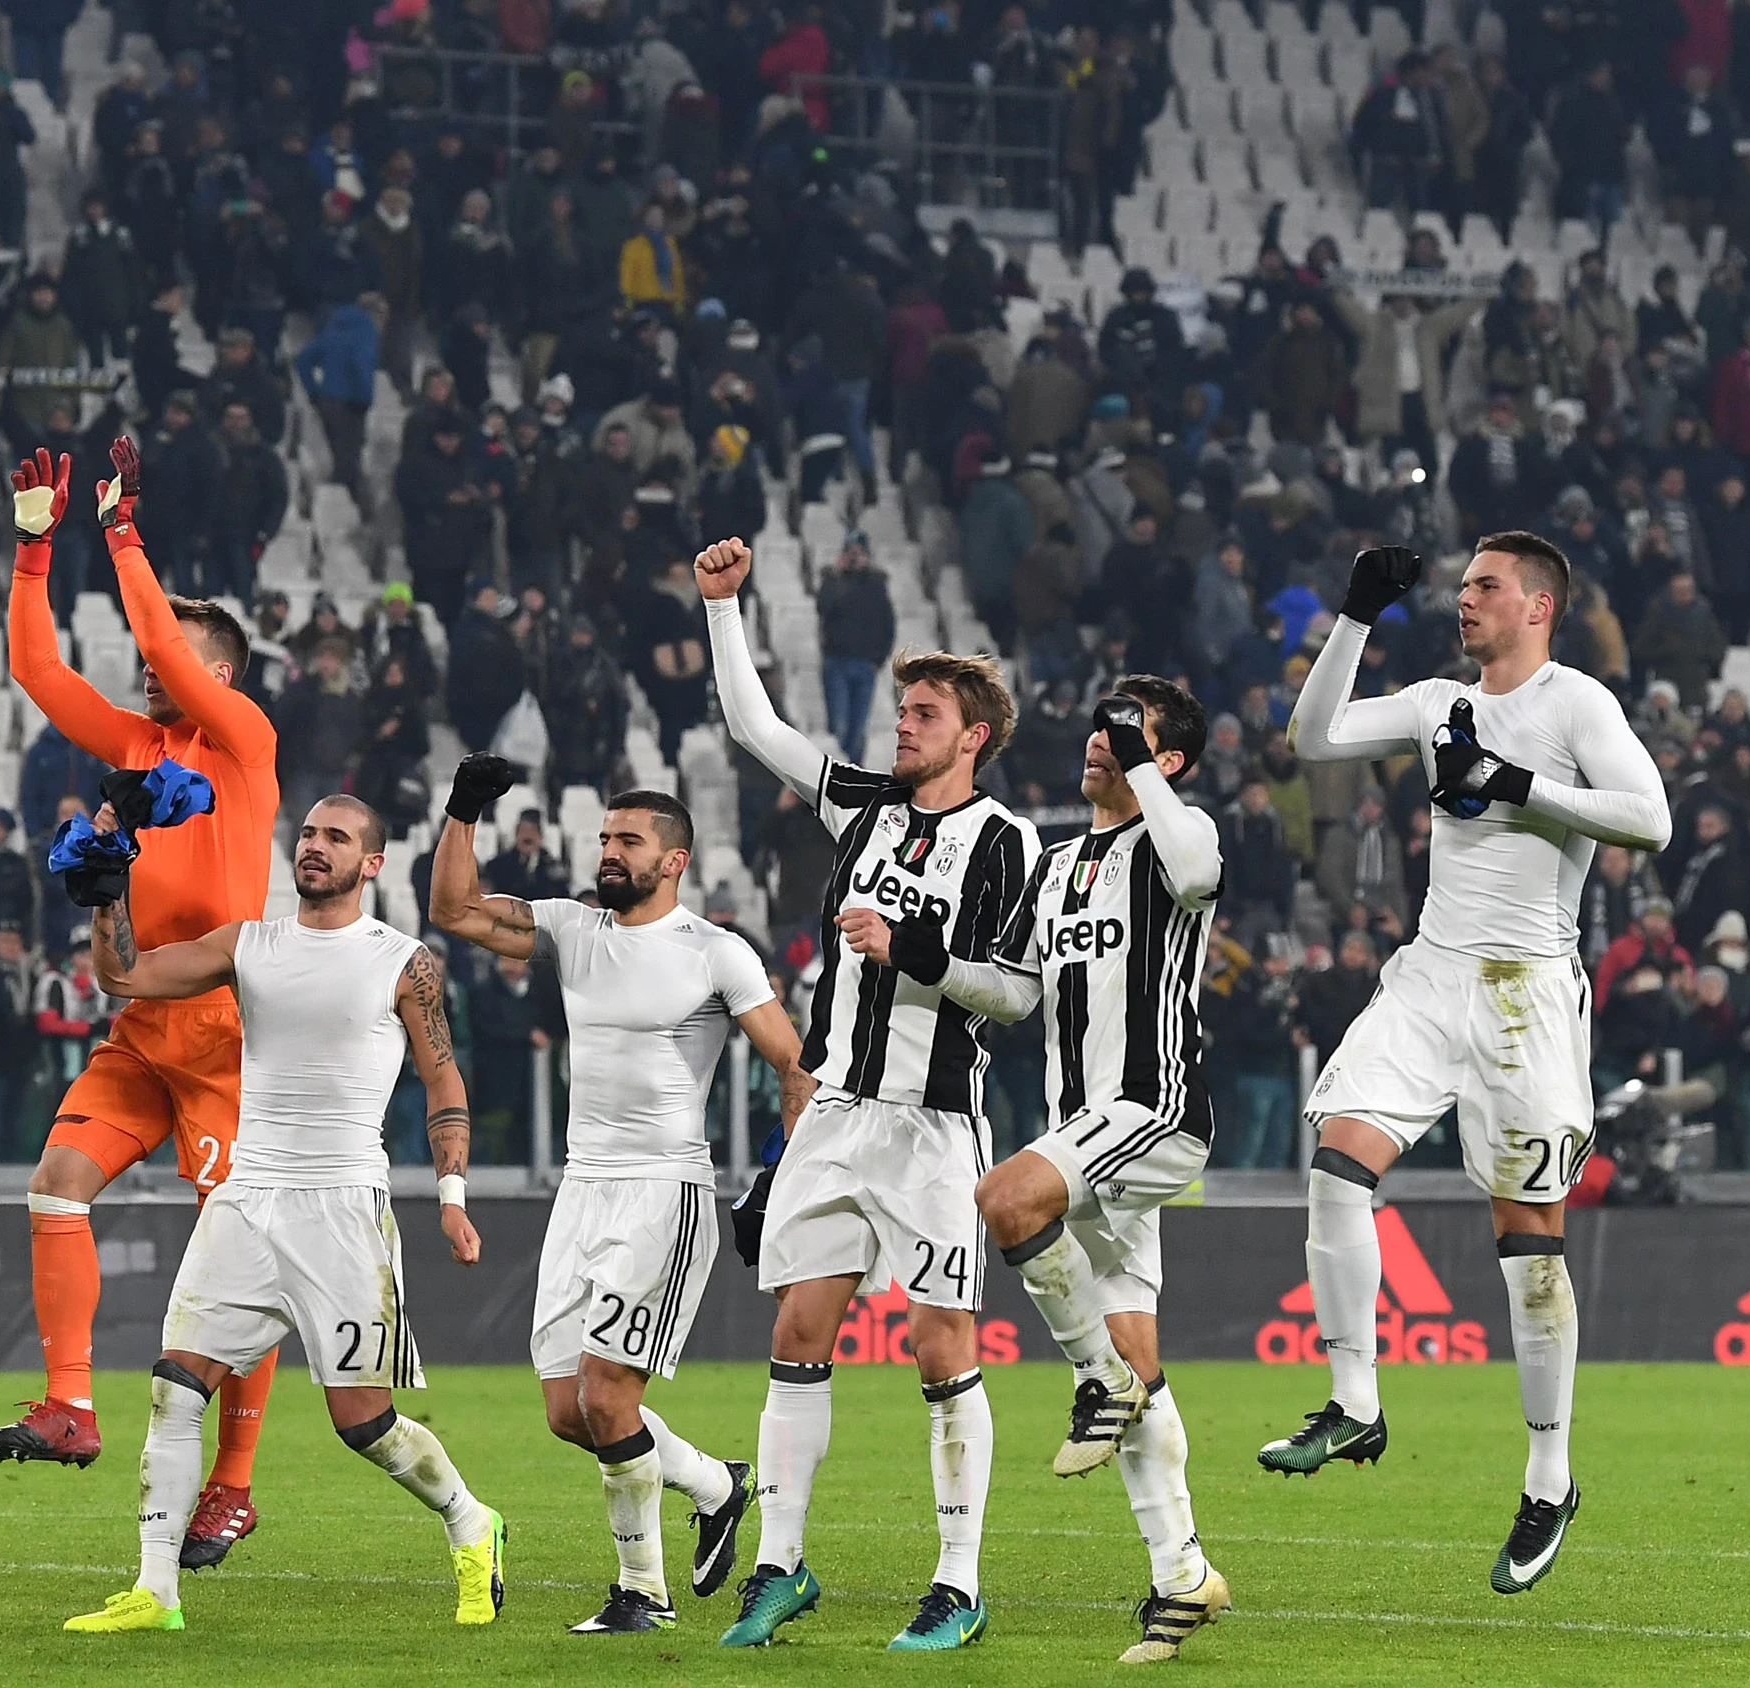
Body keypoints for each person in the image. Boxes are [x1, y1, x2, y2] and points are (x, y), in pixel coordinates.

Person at [1277, 537, 1672, 1592]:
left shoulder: (1576, 702)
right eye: (1460, 588)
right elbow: (1313, 736)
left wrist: (1517, 782)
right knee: (1337, 1159)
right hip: (1431, 970)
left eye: (1486, 586)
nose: (1465, 600)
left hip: (1527, 991)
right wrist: (1354, 614)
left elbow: (1652, 818)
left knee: (1529, 1249)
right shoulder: (1435, 702)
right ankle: (1356, 1402)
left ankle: (1550, 1478)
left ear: (1538, 604)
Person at [696, 535, 1037, 1652]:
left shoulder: (1005, 840)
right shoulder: (865, 804)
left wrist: (914, 951)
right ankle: (781, 1564)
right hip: (834, 1114)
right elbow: (756, 729)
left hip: (932, 1126)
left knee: (943, 1343)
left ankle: (957, 1579)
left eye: (926, 712)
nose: (905, 725)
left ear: (973, 733)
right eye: (904, 709)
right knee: (799, 1326)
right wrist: (723, 608)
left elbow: (1017, 993)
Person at [61, 794, 501, 1634]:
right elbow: (123, 977)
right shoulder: (250, 943)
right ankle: (155, 1592)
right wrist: (110, 894)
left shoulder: (402, 961)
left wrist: (452, 1199)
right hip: (248, 1199)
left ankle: (471, 1521)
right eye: (307, 834)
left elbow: (444, 1083)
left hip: (342, 1208)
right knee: (176, 1386)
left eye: (337, 837)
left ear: (372, 863)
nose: (315, 846)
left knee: (362, 1424)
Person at [0, 442, 286, 1570]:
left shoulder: (245, 745)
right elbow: (38, 672)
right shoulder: (141, 746)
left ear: (225, 672)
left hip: (221, 1029)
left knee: (237, 1267)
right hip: (139, 1023)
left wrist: (119, 533)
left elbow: (156, 634)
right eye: (161, 661)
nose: (157, 670)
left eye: (185, 659)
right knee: (55, 1187)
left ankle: (234, 1483)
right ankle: (69, 1402)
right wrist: (29, 547)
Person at [429, 760, 810, 1633]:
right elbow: (453, 910)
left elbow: (794, 1065)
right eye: (604, 837)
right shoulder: (571, 928)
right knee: (570, 1412)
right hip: (582, 1190)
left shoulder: (716, 951)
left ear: (672, 860)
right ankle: (719, 1486)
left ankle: (644, 1592)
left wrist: (783, 1176)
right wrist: (464, 809)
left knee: (608, 1400)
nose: (608, 852)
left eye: (627, 841)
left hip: (664, 1191)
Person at [968, 678, 1233, 1662]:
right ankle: (1182, 1576)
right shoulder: (1058, 862)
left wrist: (1143, 770)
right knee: (1141, 1362)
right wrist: (924, 959)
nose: (1100, 741)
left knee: (1004, 1195)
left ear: (1170, 761)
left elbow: (1203, 875)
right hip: (1086, 1132)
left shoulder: (1176, 835)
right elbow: (1011, 993)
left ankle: (1096, 1379)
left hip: (1155, 1109)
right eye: (1100, 723)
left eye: (1130, 732)